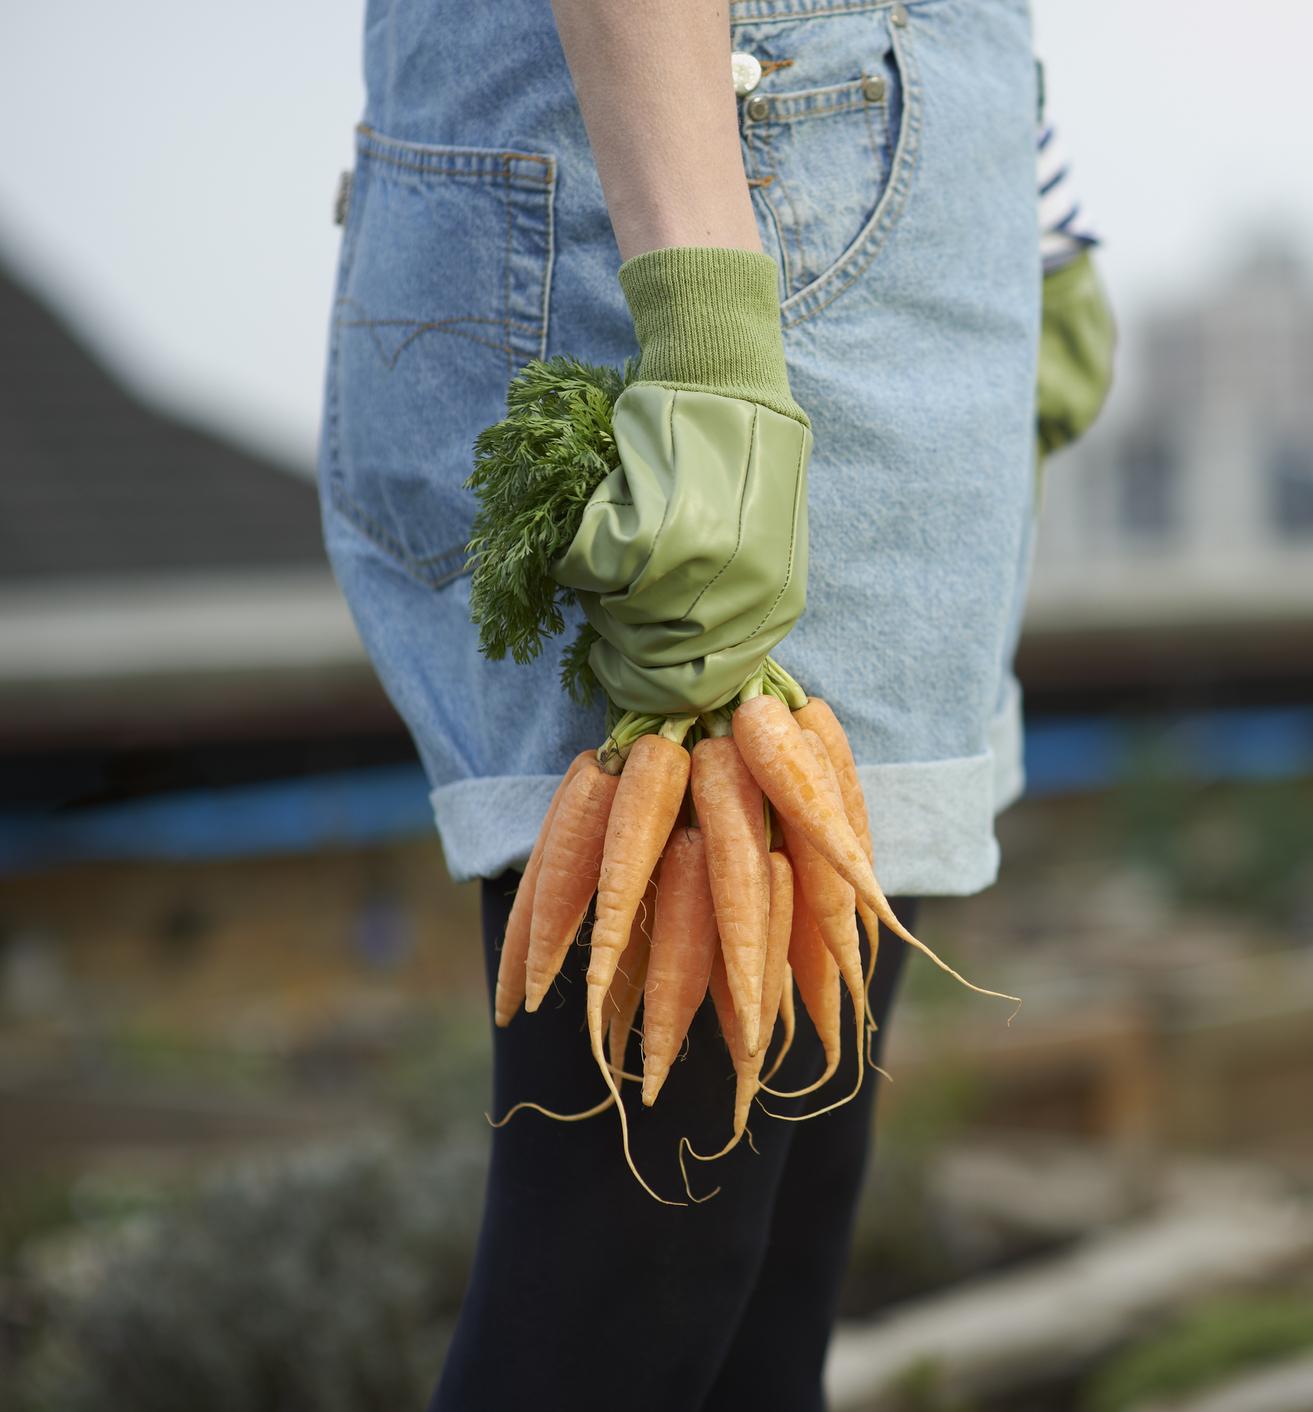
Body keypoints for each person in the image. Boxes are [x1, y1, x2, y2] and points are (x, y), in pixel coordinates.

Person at [317, 0, 1112, 1407]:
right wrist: (705, 336)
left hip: (877, 214)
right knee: (633, 1285)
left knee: (776, 1262)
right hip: (713, 199)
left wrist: (1038, 213)